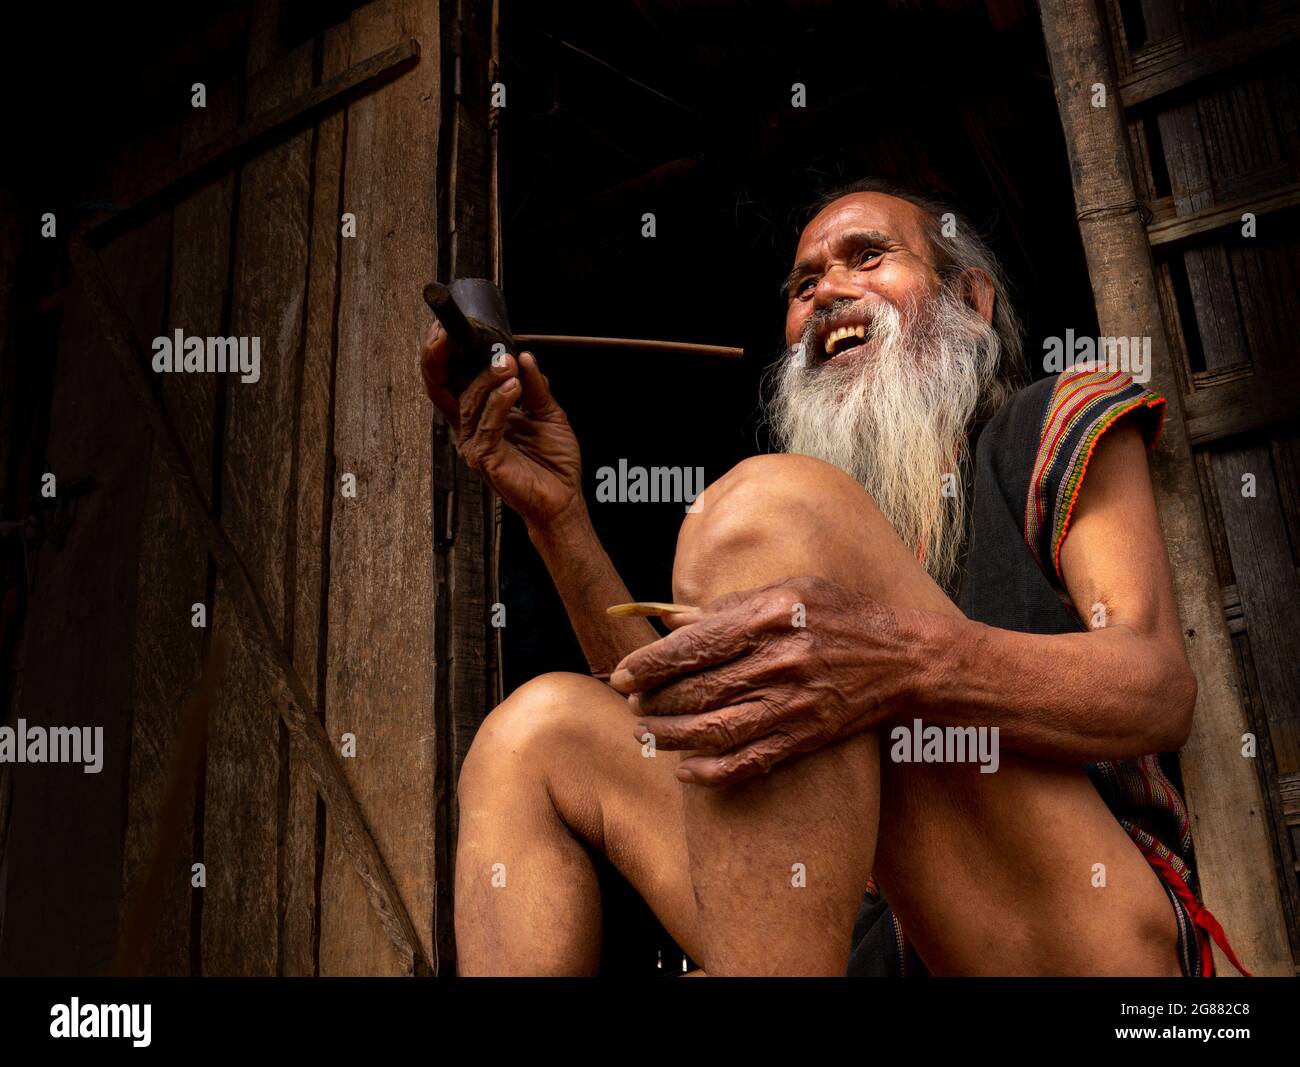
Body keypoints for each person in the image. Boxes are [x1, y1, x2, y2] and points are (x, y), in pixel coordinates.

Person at [419, 178, 1245, 977]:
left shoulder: (1049, 420)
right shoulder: (812, 527)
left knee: (760, 514)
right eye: (804, 282)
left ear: (973, 301)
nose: (827, 292)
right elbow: (684, 719)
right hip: (868, 937)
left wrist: (901, 663)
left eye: (868, 258)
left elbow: (1158, 687)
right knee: (531, 732)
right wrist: (558, 518)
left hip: (1079, 933)